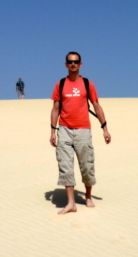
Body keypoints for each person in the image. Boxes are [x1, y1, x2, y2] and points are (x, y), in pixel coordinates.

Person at [50, 52, 111, 215]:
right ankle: (71, 203)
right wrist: (53, 131)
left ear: (80, 64)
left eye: (76, 62)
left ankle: (88, 196)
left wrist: (104, 128)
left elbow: (96, 106)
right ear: (65, 64)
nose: (73, 64)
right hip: (64, 130)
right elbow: (55, 109)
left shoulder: (87, 84)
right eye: (70, 62)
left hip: (83, 130)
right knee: (65, 166)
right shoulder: (60, 84)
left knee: (86, 165)